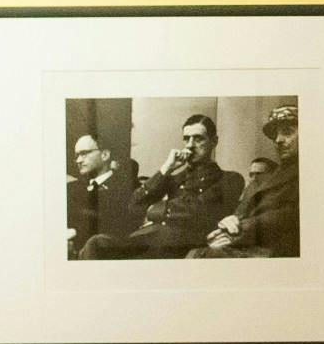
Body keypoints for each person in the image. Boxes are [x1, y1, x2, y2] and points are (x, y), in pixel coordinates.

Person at [129, 112, 242, 258]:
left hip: (179, 248)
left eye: (198, 139)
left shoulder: (230, 179)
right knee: (97, 242)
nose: (190, 145)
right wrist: (167, 167)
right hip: (148, 240)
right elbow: (135, 205)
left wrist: (154, 210)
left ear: (214, 142)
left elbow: (198, 210)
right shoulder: (174, 178)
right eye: (186, 139)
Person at [194, 102, 300, 258]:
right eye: (275, 135)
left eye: (287, 132)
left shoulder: (311, 173)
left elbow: (289, 216)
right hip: (249, 244)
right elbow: (243, 210)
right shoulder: (270, 177)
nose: (278, 140)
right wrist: (230, 221)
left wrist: (236, 232)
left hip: (278, 252)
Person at [67, 132, 153, 257]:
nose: (79, 160)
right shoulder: (71, 188)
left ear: (105, 155)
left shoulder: (125, 188)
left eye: (84, 154)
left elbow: (117, 225)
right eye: (77, 156)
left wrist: (74, 232)